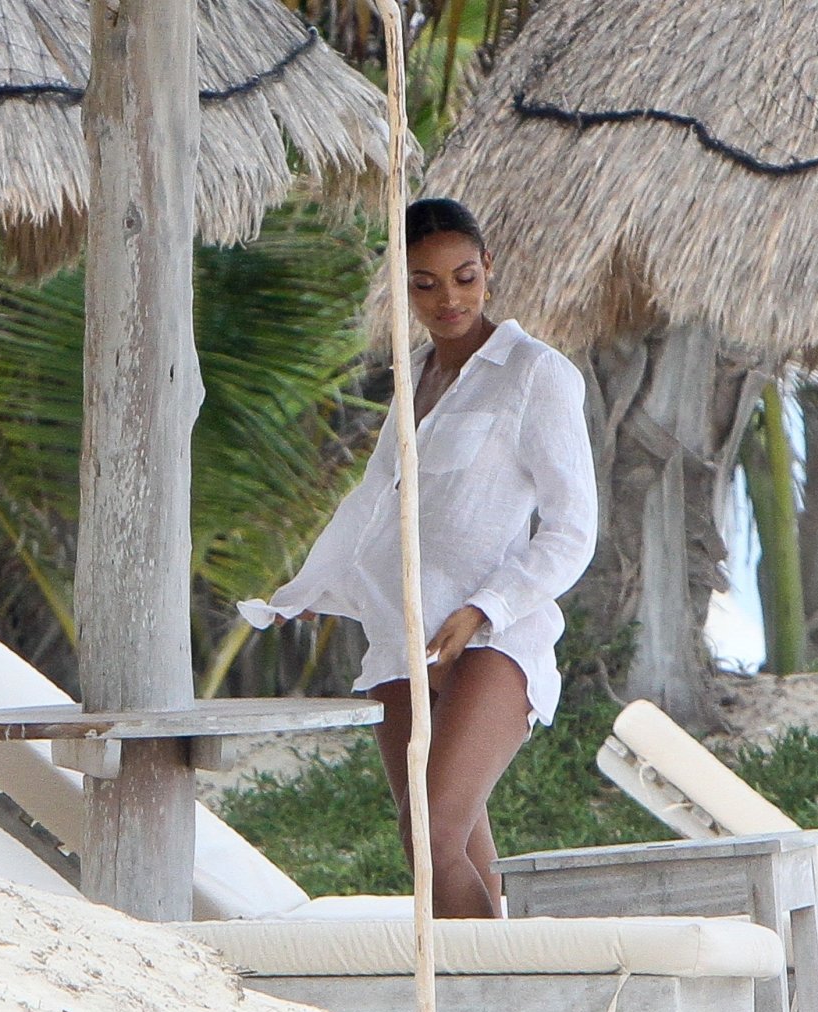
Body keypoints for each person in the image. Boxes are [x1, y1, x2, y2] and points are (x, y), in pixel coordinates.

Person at [240, 197, 597, 919]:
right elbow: (375, 506)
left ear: (488, 267)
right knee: (450, 851)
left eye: (464, 277)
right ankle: (497, 995)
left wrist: (484, 609)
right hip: (402, 637)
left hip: (494, 636)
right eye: (424, 284)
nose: (448, 299)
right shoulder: (414, 375)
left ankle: (507, 988)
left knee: (430, 834)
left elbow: (572, 530)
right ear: (402, 285)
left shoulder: (536, 373)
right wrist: (309, 590)